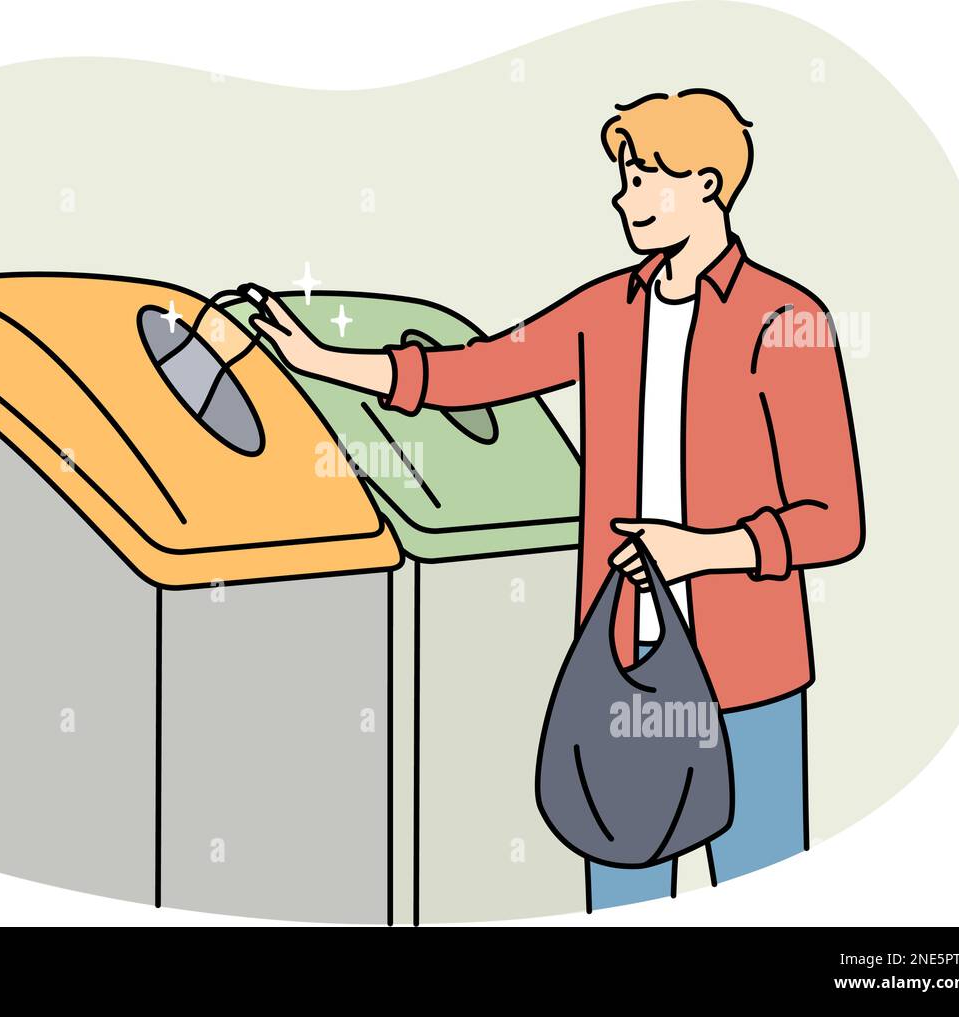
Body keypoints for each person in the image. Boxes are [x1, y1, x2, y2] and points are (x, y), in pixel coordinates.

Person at [241, 88, 864, 909]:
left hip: (748, 679)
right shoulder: (610, 309)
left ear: (709, 183)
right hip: (616, 662)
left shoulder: (787, 318)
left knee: (764, 892)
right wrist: (324, 360)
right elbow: (476, 372)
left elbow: (835, 519)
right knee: (623, 896)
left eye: (647, 178)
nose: (624, 195)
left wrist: (702, 549)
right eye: (625, 176)